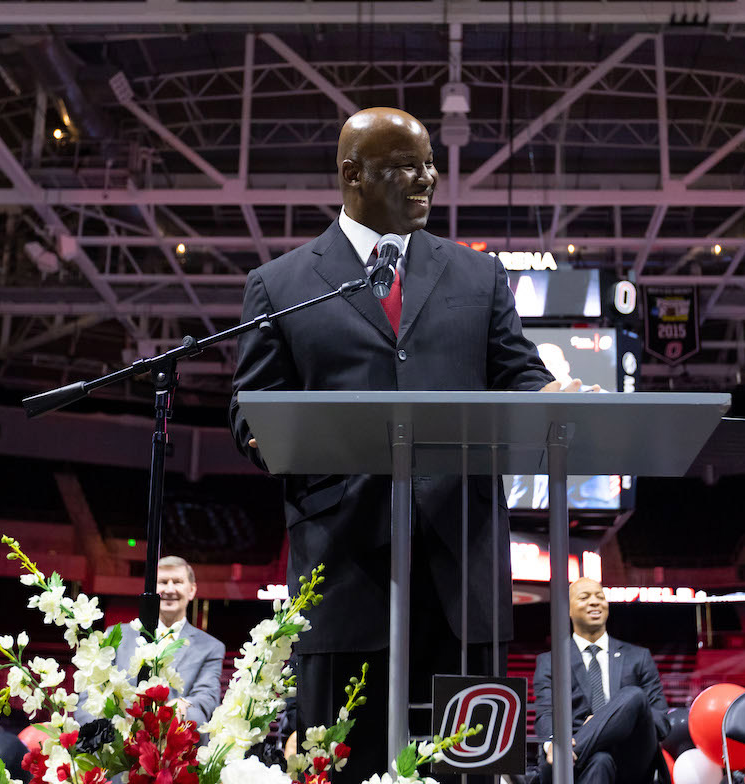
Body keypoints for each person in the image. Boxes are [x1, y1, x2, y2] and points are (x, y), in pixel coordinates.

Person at [229, 106, 595, 781]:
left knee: (468, 774)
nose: (425, 179)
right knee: (345, 768)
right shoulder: (279, 287)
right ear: (352, 175)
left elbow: (518, 374)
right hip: (343, 574)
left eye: (428, 164)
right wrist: (267, 434)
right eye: (403, 166)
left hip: (463, 571)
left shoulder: (477, 277)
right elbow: (249, 412)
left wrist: (551, 399)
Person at [533, 578, 671, 784]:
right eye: (584, 597)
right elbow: (545, 713)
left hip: (631, 756)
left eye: (600, 597)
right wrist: (553, 744)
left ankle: (570, 753)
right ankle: (572, 752)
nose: (595, 602)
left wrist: (608, 723)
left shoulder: (639, 657)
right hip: (588, 765)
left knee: (634, 695)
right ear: (568, 610)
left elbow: (661, 720)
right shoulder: (551, 662)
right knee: (600, 760)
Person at [98, 557, 225, 728]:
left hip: (176, 742)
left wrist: (182, 709)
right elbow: (93, 694)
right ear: (150, 589)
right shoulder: (116, 636)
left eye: (178, 582)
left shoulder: (211, 647)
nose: (169, 589)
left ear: (192, 590)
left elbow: (206, 700)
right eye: (163, 582)